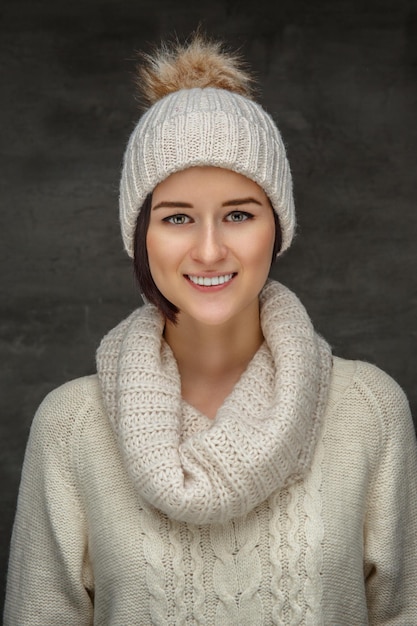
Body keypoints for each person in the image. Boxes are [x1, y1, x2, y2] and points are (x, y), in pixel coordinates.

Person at [4, 31, 417, 625]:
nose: (209, 249)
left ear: (277, 227)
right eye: (176, 217)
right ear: (139, 235)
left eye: (239, 214)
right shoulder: (71, 428)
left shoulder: (369, 410)